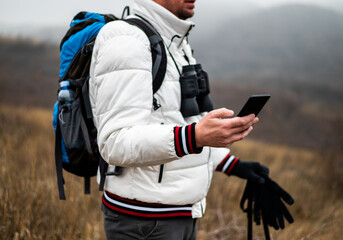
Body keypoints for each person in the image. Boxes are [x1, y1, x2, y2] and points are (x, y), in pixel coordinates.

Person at [89, 0, 269, 239]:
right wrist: (194, 137)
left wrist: (232, 166)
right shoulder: (127, 41)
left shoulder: (175, 40)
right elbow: (115, 142)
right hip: (143, 221)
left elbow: (181, 118)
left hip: (180, 213)